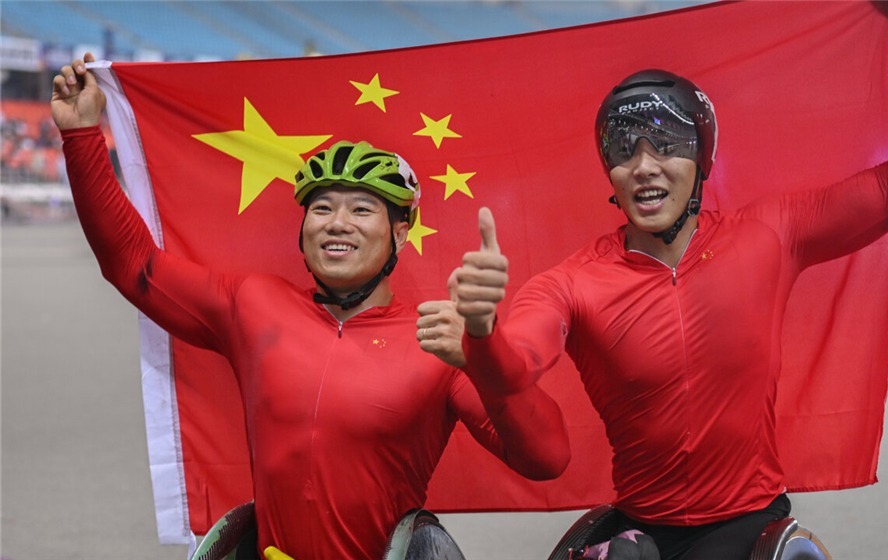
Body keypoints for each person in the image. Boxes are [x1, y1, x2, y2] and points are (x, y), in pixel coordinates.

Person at [441, 1, 888, 559]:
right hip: (640, 536)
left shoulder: (770, 235)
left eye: (666, 144)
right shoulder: (570, 283)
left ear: (702, 158)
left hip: (750, 525)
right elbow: (517, 367)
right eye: (624, 149)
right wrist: (483, 332)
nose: (644, 165)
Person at [51, 53, 569, 560]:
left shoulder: (438, 341)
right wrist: (81, 135)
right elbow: (133, 265)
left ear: (400, 233)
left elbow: (545, 459)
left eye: (362, 209)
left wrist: (484, 351)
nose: (337, 223)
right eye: (322, 208)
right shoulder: (253, 305)